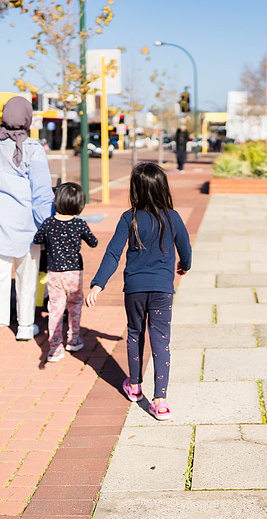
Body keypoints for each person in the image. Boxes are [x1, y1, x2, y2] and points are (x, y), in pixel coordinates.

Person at [85, 163, 192, 420]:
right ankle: (161, 401)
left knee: (135, 333)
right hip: (162, 290)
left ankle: (134, 386)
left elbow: (113, 253)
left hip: (134, 289)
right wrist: (184, 266)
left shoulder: (128, 218)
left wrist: (98, 283)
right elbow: (185, 249)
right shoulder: (172, 217)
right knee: (161, 341)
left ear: (136, 190)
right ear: (162, 188)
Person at [0, 96, 54, 361]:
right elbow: (42, 193)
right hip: (26, 225)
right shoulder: (32, 148)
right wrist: (47, 226)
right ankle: (23, 326)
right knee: (27, 274)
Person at [33, 182, 98, 363]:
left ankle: (54, 348)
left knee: (55, 309)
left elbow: (37, 239)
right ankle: (73, 339)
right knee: (75, 307)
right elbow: (93, 242)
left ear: (56, 202)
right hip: (74, 273)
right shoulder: (79, 224)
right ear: (79, 205)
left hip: (54, 273)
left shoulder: (48, 224)